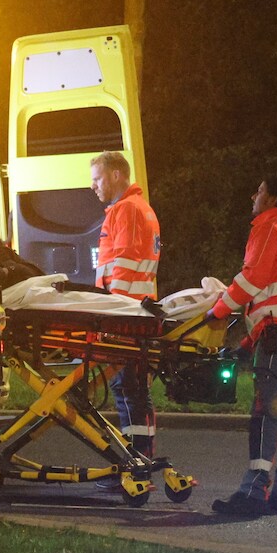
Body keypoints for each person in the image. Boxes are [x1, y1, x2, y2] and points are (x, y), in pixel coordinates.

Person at [209, 175, 277, 517]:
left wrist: (217, 311)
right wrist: (247, 341)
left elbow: (252, 279)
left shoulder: (269, 227)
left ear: (272, 198)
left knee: (266, 413)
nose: (253, 195)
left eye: (259, 190)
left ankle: (252, 494)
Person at [89, 150, 161, 467]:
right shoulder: (137, 208)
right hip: (136, 311)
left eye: (97, 178)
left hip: (127, 315)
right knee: (133, 391)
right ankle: (140, 457)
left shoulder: (127, 210)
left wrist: (112, 314)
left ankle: (135, 463)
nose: (93, 186)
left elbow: (125, 265)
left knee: (127, 390)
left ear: (116, 175)